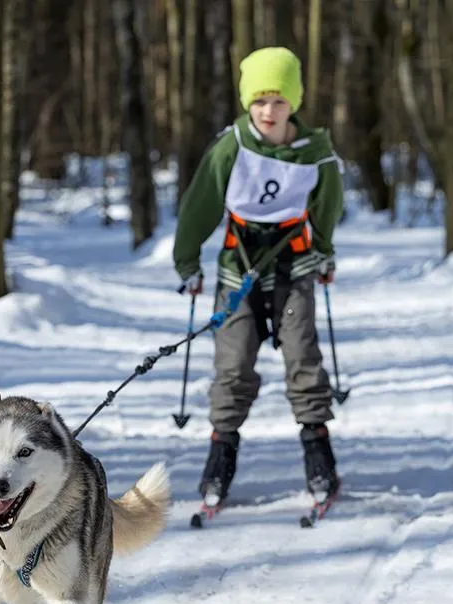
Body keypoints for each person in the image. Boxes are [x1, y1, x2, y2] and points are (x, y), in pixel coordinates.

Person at [172, 46, 344, 518]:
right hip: (239, 271)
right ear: (248, 101)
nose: (269, 111)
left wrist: (324, 251)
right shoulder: (231, 147)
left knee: (303, 358)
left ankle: (319, 456)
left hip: (294, 268)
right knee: (233, 365)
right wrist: (188, 262)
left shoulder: (316, 154)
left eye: (279, 101)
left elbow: (327, 209)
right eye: (260, 100)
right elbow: (199, 206)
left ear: (294, 103)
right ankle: (220, 458)